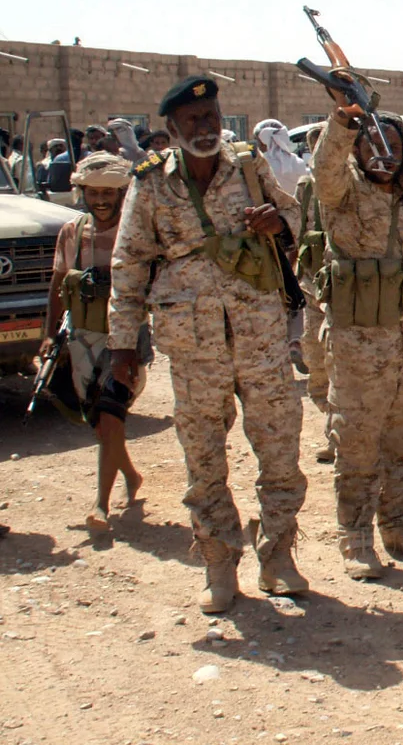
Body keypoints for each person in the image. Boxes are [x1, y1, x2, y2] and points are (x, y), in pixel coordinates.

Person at [108, 76, 307, 612]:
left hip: (261, 336)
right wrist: (122, 346)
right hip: (194, 346)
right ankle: (219, 564)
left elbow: (298, 214)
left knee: (280, 447)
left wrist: (278, 220)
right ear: (171, 130)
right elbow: (128, 266)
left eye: (213, 116)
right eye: (194, 120)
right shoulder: (150, 184)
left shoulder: (248, 167)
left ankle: (279, 555)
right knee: (203, 458)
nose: (207, 126)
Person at [312, 91, 403, 578]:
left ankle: (400, 523)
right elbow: (326, 167)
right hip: (359, 340)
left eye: (393, 144)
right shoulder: (343, 194)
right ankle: (355, 534)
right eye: (371, 145)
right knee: (358, 438)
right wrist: (344, 122)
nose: (382, 153)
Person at [43, 152, 148, 532]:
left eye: (109, 193)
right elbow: (57, 285)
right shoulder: (73, 232)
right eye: (93, 192)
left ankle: (100, 506)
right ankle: (132, 477)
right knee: (101, 423)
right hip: (82, 338)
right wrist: (48, 333)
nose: (101, 200)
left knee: (109, 411)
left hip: (125, 338)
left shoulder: (135, 231)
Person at [292, 124, 334, 465]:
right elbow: (295, 233)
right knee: (315, 360)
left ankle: (339, 438)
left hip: (346, 293)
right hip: (312, 287)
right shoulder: (306, 187)